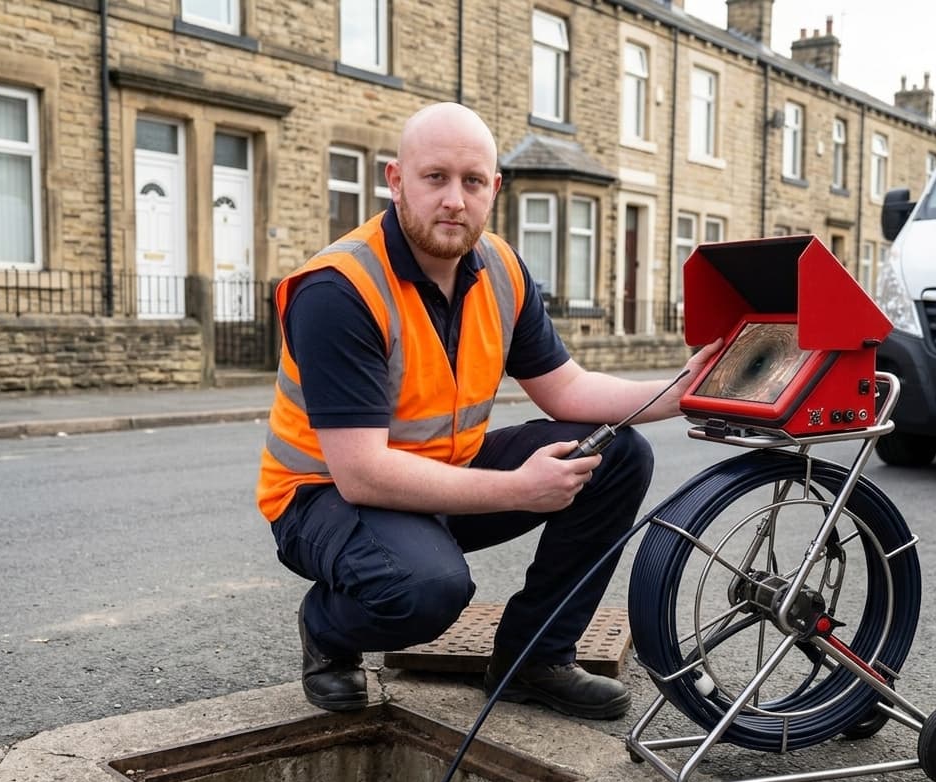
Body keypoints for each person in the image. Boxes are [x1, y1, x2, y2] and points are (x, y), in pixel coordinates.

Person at [257, 102, 720, 720]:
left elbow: (567, 391)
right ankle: (327, 629)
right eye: (435, 178)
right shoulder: (338, 289)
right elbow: (362, 472)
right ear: (396, 182)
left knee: (617, 451)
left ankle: (534, 656)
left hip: (445, 476)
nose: (454, 199)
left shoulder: (500, 267)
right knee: (427, 590)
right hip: (323, 499)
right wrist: (518, 489)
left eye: (472, 181)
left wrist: (683, 389)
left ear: (493, 189)